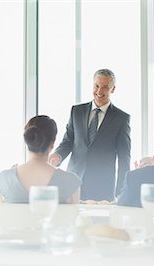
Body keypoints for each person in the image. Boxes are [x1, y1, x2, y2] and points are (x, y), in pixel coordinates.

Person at [49, 68, 131, 201]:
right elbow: (68, 140)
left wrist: (121, 188)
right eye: (96, 86)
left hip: (102, 185)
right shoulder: (77, 111)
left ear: (113, 89)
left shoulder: (121, 118)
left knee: (99, 221)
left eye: (105, 87)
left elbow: (124, 156)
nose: (99, 91)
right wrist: (58, 155)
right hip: (73, 181)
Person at [0, 115, 81, 204]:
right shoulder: (71, 181)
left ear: (27, 140)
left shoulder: (3, 179)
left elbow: (2, 217)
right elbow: (72, 216)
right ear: (53, 142)